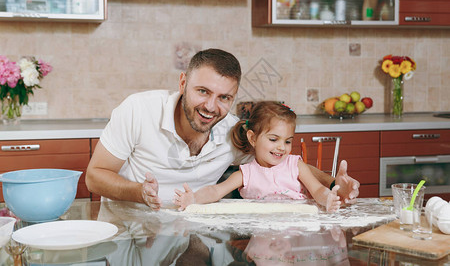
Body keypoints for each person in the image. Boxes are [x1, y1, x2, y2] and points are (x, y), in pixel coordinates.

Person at [86, 48, 359, 211]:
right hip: (133, 227)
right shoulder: (138, 110)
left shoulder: (234, 133)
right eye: (202, 91)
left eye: (224, 98)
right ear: (183, 83)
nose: (210, 106)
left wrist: (333, 183)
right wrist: (140, 193)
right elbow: (95, 176)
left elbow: (285, 164)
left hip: (194, 230)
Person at [173, 101, 341, 212]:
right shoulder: (246, 173)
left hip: (295, 236)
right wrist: (194, 198)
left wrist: (328, 198)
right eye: (274, 139)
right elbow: (216, 191)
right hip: (261, 238)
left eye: (288, 141)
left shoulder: (295, 165)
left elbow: (317, 189)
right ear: (252, 138)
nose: (282, 147)